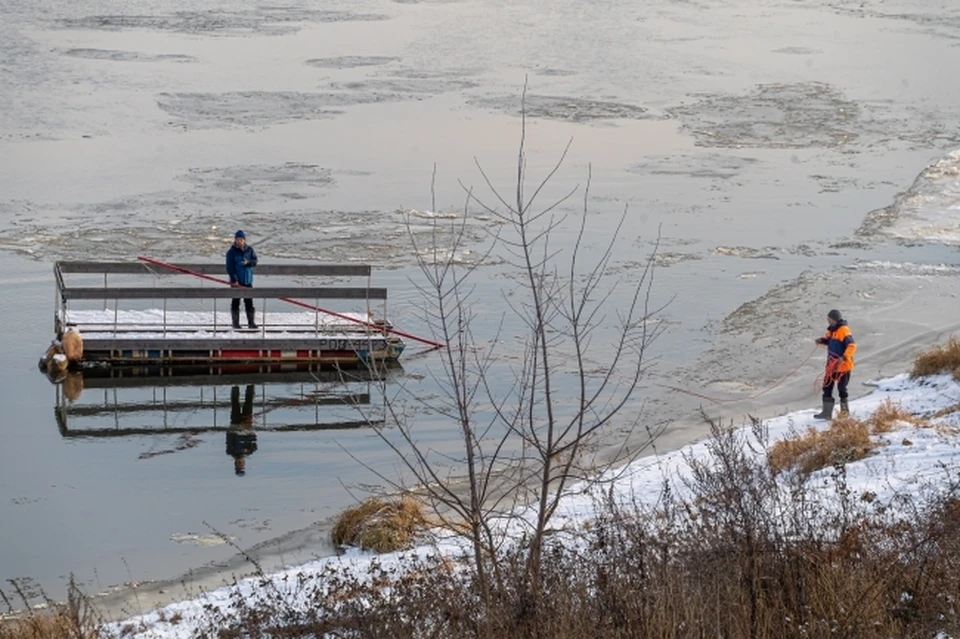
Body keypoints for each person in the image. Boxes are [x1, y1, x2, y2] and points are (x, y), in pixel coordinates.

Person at [813, 309, 856, 419]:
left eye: (829, 318)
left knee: (842, 389)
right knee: (827, 387)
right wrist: (821, 340)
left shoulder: (844, 330)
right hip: (831, 365)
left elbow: (852, 345)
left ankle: (844, 413)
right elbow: (828, 340)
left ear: (834, 319)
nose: (827, 320)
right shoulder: (831, 330)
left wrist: (844, 357)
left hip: (843, 366)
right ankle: (826, 413)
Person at [225, 230, 258, 329]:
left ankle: (251, 323)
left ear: (244, 240)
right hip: (236, 281)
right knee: (236, 302)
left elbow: (255, 261)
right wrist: (234, 279)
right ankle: (235, 323)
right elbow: (229, 267)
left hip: (247, 280)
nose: (239, 241)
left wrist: (248, 262)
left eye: (241, 239)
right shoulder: (231, 252)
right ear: (235, 240)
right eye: (237, 239)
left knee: (249, 302)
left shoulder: (249, 250)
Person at [226, 384, 258, 476]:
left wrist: (237, 430)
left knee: (235, 405)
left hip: (235, 424)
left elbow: (229, 437)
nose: (240, 462)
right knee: (249, 403)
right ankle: (251, 386)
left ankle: (235, 386)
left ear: (235, 464)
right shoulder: (250, 451)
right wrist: (249, 430)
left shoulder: (231, 451)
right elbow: (253, 438)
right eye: (242, 464)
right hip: (247, 426)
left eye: (239, 464)